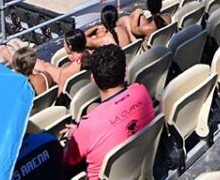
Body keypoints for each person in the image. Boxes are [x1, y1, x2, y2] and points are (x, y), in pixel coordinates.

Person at [62, 45, 155, 179]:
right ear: (125, 71)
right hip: (140, 170)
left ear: (93, 78)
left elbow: (67, 162)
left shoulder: (88, 126)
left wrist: (74, 137)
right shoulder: (141, 91)